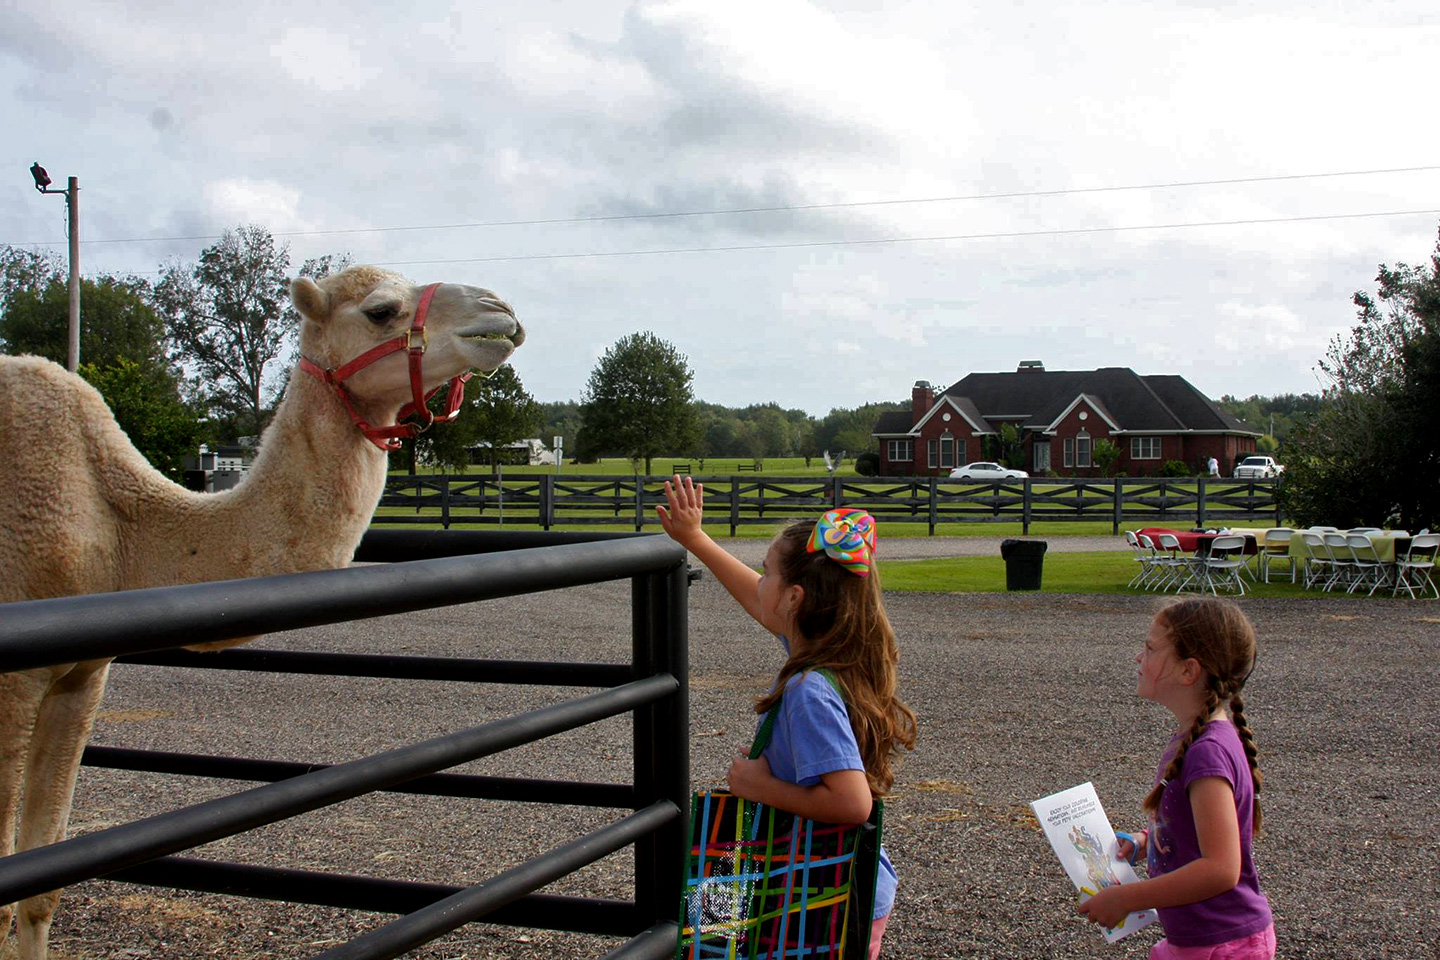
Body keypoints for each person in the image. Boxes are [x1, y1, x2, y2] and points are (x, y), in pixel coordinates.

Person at [658, 477, 917, 959]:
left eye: (768, 572)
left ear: (795, 597)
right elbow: (759, 601)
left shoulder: (808, 690)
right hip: (831, 874)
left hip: (817, 885)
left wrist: (757, 786)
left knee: (731, 939)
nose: (761, 583)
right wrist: (696, 539)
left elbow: (852, 803)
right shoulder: (831, 655)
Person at [1078, 596, 1274, 959]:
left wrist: (1127, 898)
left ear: (1188, 671)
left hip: (1223, 946)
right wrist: (1145, 841)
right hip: (1200, 939)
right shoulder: (1194, 738)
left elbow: (1220, 869)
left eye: (1150, 648)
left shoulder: (1206, 753)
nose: (1139, 657)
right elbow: (1195, 832)